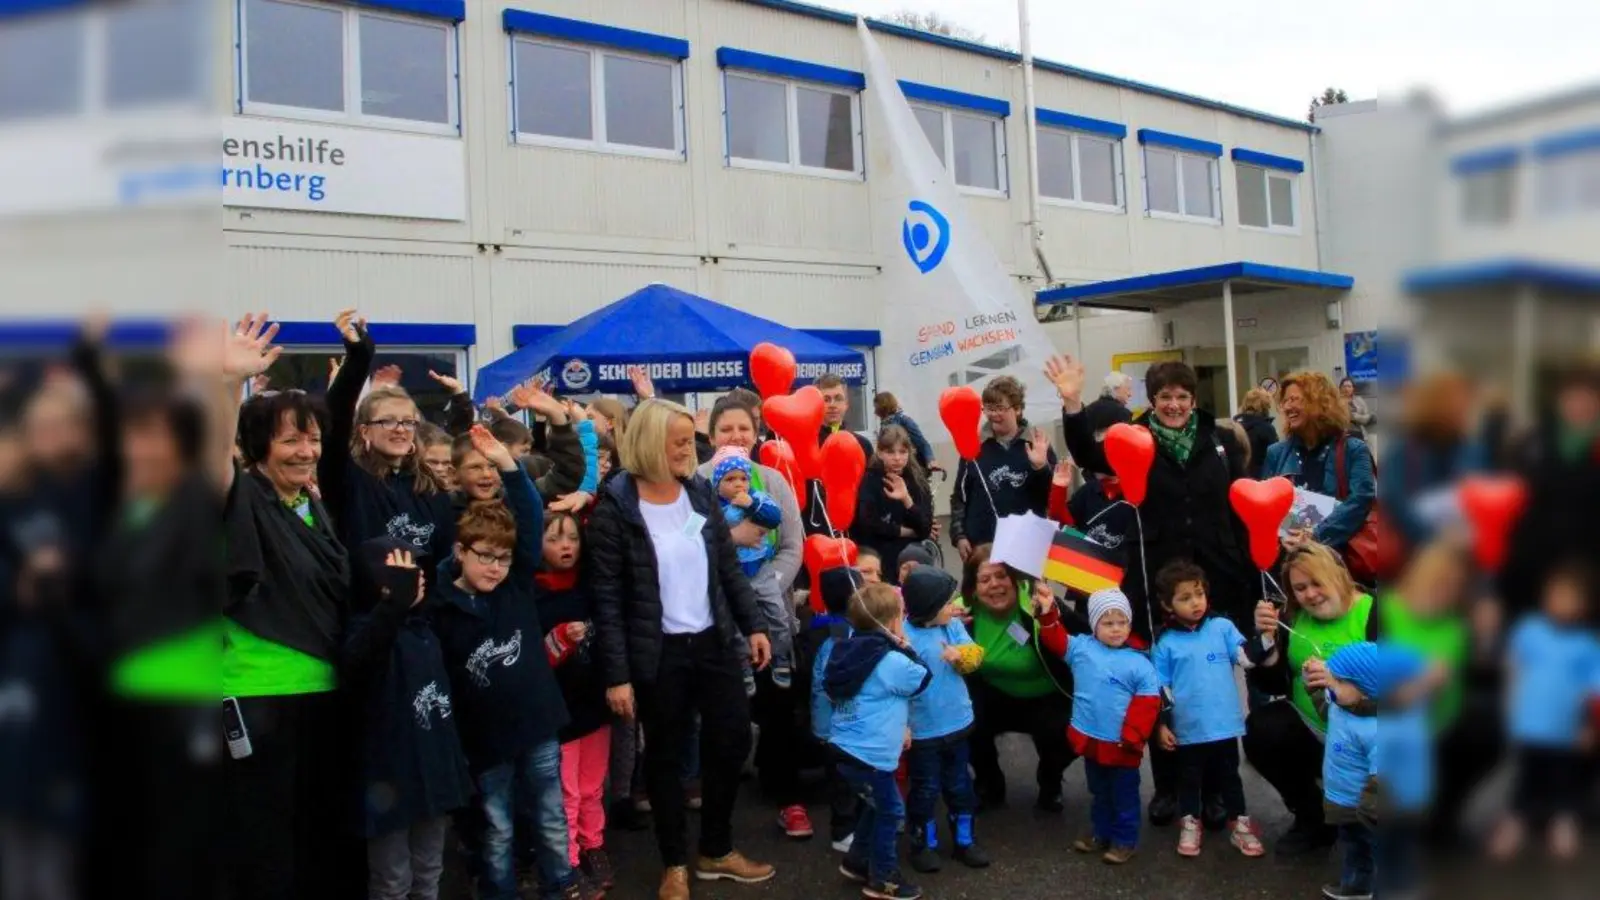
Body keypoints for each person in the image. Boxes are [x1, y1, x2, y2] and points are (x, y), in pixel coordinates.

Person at [1049, 354, 1252, 824]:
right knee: (1161, 680)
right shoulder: (1133, 437)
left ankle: (1216, 789)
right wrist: (1073, 403)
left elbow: (1239, 500)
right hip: (1155, 571)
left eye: (1182, 396)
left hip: (1213, 573)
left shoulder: (1220, 441)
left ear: (1194, 400)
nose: (1174, 405)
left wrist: (1252, 562)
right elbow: (1089, 456)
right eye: (1164, 397)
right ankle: (1169, 787)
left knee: (1209, 680)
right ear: (1152, 400)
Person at [587, 399, 775, 900]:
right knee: (666, 758)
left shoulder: (698, 493)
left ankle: (716, 848)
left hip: (714, 642)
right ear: (649, 442)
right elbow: (606, 600)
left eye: (690, 441)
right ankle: (674, 862)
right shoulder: (615, 509)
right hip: (658, 653)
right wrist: (617, 675)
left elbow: (727, 566)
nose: (689, 451)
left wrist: (753, 625)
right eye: (679, 442)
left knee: (732, 739)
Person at [220, 316, 354, 900]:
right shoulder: (239, 497)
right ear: (257, 447)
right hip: (259, 694)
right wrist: (228, 384)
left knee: (316, 837)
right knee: (262, 844)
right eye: (291, 440)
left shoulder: (309, 505)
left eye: (313, 439)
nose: (307, 451)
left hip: (322, 692)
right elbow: (212, 466)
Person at [429, 427, 579, 900]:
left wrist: (509, 467)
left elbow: (530, 519)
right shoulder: (441, 607)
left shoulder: (514, 585)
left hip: (537, 724)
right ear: (460, 552)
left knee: (550, 815)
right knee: (497, 827)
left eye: (503, 559)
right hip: (485, 739)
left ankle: (560, 884)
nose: (495, 567)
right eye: (485, 557)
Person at [694, 396, 808, 839]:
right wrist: (731, 537)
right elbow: (686, 545)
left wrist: (764, 589)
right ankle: (716, 818)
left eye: (745, 428)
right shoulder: (696, 482)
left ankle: (788, 799)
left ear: (757, 434)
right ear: (711, 436)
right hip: (716, 615)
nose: (736, 436)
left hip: (769, 608)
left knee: (780, 708)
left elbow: (793, 545)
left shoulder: (773, 481)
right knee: (723, 714)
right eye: (726, 429)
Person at [342, 542, 474, 900]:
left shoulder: (425, 630)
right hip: (388, 782)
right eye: (403, 572)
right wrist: (392, 607)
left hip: (433, 773)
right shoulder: (363, 631)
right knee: (392, 879)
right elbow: (359, 661)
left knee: (429, 870)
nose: (416, 578)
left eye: (416, 570)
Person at [1245, 543, 1378, 858]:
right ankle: (1313, 818)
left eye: (1317, 582)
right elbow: (1274, 684)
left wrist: (1348, 690)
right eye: (1300, 588)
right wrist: (1268, 643)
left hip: (1370, 738)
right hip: (1315, 728)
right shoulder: (1292, 616)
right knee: (1262, 728)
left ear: (1339, 574)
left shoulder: (1377, 612)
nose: (1310, 595)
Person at [320, 310, 455, 589]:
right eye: (387, 421)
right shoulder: (349, 481)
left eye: (407, 421)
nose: (400, 429)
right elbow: (334, 422)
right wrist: (359, 357)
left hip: (426, 612)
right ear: (364, 431)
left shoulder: (432, 489)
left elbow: (445, 563)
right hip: (367, 609)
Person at [1150, 561, 1269, 857]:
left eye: (1199, 594)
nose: (1195, 603)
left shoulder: (1222, 627)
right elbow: (1160, 688)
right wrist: (1162, 725)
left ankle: (1240, 826)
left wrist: (1265, 637)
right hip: (1187, 729)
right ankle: (1190, 823)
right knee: (1188, 779)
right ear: (1167, 604)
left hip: (1224, 726)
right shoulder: (1164, 643)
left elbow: (1245, 658)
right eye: (1185, 598)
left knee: (1230, 778)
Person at [1034, 586, 1161, 865]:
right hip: (1090, 739)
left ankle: (1125, 840)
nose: (1116, 629)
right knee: (1099, 792)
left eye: (1122, 622)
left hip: (1122, 744)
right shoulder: (1081, 647)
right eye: (1108, 623)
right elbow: (1055, 639)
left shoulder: (1139, 663)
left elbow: (1148, 703)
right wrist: (1048, 612)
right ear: (1094, 625)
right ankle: (1101, 832)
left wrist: (1133, 735)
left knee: (1124, 795)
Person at [825, 582, 932, 900]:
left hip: (844, 748)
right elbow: (922, 677)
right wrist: (907, 648)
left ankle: (857, 860)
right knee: (891, 812)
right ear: (893, 622)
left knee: (875, 805)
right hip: (871, 756)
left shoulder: (845, 650)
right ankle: (884, 877)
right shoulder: (890, 661)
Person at [1487, 561, 1600, 862]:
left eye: (1571, 597)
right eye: (1557, 595)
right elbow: (1512, 670)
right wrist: (1510, 710)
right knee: (1525, 780)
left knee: (1565, 781)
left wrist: (1589, 726)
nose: (1563, 603)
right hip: (1529, 725)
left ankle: (1563, 823)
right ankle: (1515, 823)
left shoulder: (1587, 644)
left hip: (1565, 730)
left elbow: (1594, 691)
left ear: (1585, 604)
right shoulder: (1529, 630)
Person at [958, 547, 1079, 812]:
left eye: (1001, 576)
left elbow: (1088, 635)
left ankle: (1050, 782)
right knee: (963, 723)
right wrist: (940, 622)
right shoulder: (960, 613)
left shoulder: (1039, 603)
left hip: (1047, 696)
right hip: (994, 696)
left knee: (1066, 740)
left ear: (1015, 581)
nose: (995, 585)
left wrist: (1051, 616)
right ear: (973, 589)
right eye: (985, 579)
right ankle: (989, 782)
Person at [535, 512, 615, 895]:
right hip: (558, 710)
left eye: (571, 538)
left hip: (594, 703)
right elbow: (530, 661)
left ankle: (592, 844)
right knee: (564, 791)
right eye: (553, 538)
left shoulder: (592, 587)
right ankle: (565, 861)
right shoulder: (533, 594)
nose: (565, 546)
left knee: (592, 784)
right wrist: (559, 640)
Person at [900, 568, 989, 874]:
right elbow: (897, 687)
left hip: (957, 723)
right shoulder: (903, 638)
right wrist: (902, 725)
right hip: (922, 732)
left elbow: (976, 655)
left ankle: (965, 841)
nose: (954, 607)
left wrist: (962, 656)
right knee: (925, 789)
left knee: (960, 784)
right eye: (947, 603)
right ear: (928, 607)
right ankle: (923, 844)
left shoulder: (952, 627)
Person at [1261, 371, 1376, 561]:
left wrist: (1315, 535)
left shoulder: (1354, 449)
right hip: (1290, 563)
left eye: (1294, 399)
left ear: (1320, 402)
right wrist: (1283, 537)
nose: (1288, 407)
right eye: (1285, 401)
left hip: (1338, 562)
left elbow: (1361, 499)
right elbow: (1266, 506)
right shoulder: (1276, 453)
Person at [949, 376, 1054, 561]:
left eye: (1000, 408)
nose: (993, 414)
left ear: (1018, 409)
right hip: (983, 547)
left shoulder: (1037, 444)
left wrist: (1040, 468)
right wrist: (959, 535)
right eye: (989, 408)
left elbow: (1053, 497)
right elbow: (960, 496)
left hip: (1027, 545)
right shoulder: (973, 446)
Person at [805, 567, 865, 853]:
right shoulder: (840, 635)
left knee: (850, 779)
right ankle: (843, 831)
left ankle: (855, 825)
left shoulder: (824, 627)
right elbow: (835, 682)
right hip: (839, 726)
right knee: (844, 782)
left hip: (835, 725)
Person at [1319, 643, 1382, 900]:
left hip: (1366, 811)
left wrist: (1371, 809)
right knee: (1354, 848)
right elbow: (1323, 708)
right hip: (1343, 801)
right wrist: (1313, 686)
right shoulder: (1341, 705)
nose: (1329, 684)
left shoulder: (1376, 729)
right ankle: (1357, 887)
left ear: (1365, 690)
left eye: (1338, 681)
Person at [851, 426, 933, 587]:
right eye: (890, 452)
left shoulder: (917, 481)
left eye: (902, 452)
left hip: (907, 558)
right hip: (879, 557)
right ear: (880, 453)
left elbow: (925, 528)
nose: (897, 458)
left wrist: (906, 500)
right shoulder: (870, 479)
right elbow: (868, 522)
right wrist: (904, 531)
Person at [806, 375, 875, 535]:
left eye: (838, 398)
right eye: (826, 399)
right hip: (815, 532)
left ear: (846, 404)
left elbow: (872, 491)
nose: (832, 405)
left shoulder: (862, 444)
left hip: (855, 532)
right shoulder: (806, 444)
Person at [872, 392, 936, 472]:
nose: (875, 412)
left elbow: (921, 442)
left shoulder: (904, 420)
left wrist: (930, 459)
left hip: (909, 467)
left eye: (876, 408)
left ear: (883, 407)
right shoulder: (885, 423)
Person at [1233, 389, 1279, 480]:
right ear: (1265, 407)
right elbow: (1276, 458)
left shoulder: (1233, 428)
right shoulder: (1266, 429)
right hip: (1260, 481)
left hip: (1237, 482)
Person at [1086, 371, 1135, 436]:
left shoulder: (1087, 410)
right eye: (1128, 389)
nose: (1130, 394)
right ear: (1116, 388)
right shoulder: (1122, 413)